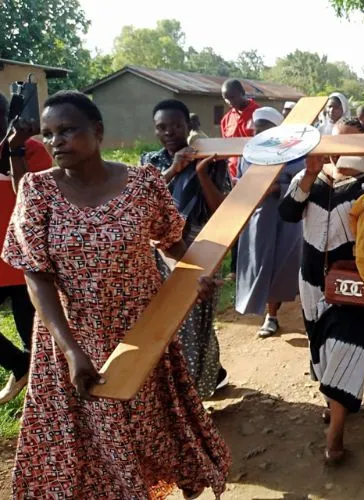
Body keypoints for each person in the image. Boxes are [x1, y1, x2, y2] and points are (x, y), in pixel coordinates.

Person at [2, 90, 230, 498]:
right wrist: (72, 351)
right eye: (51, 134)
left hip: (142, 333)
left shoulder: (141, 183)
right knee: (90, 445)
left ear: (98, 131)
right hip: (72, 341)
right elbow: (35, 276)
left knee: (148, 431)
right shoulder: (38, 192)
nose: (57, 142)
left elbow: (172, 241)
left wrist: (191, 276)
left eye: (68, 130)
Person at [278, 117, 364, 464]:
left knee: (346, 348)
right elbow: (287, 213)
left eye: (353, 144)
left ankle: (335, 434)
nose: (343, 152)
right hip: (312, 281)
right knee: (321, 348)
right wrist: (308, 175)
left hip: (355, 284)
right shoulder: (310, 178)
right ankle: (334, 400)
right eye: (338, 143)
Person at [141, 99, 232, 398]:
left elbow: (223, 208)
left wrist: (201, 173)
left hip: (201, 246)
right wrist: (174, 170)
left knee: (195, 319)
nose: (169, 132)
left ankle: (194, 393)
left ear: (188, 126)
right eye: (161, 127)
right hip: (160, 250)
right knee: (173, 321)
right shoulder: (150, 163)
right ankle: (207, 376)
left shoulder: (212, 158)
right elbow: (141, 204)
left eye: (176, 125)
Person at [0, 93, 51, 403]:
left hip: (23, 260)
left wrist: (14, 148)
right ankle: (18, 366)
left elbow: (31, 197)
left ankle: (46, 409)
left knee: (36, 339)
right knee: (29, 353)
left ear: (9, 114)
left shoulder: (31, 150)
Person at [235, 107, 303, 337]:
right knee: (258, 263)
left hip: (285, 216)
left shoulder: (294, 154)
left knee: (280, 264)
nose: (260, 133)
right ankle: (264, 310)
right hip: (259, 217)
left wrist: (279, 188)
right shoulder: (248, 154)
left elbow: (302, 181)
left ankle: (272, 314)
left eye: (266, 128)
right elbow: (240, 181)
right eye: (257, 129)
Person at [220, 79, 258, 276]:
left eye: (232, 97)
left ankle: (255, 262)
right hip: (233, 178)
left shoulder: (258, 114)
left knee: (254, 223)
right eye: (226, 99)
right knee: (236, 222)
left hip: (255, 178)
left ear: (242, 92)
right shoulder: (226, 120)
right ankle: (236, 268)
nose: (229, 102)